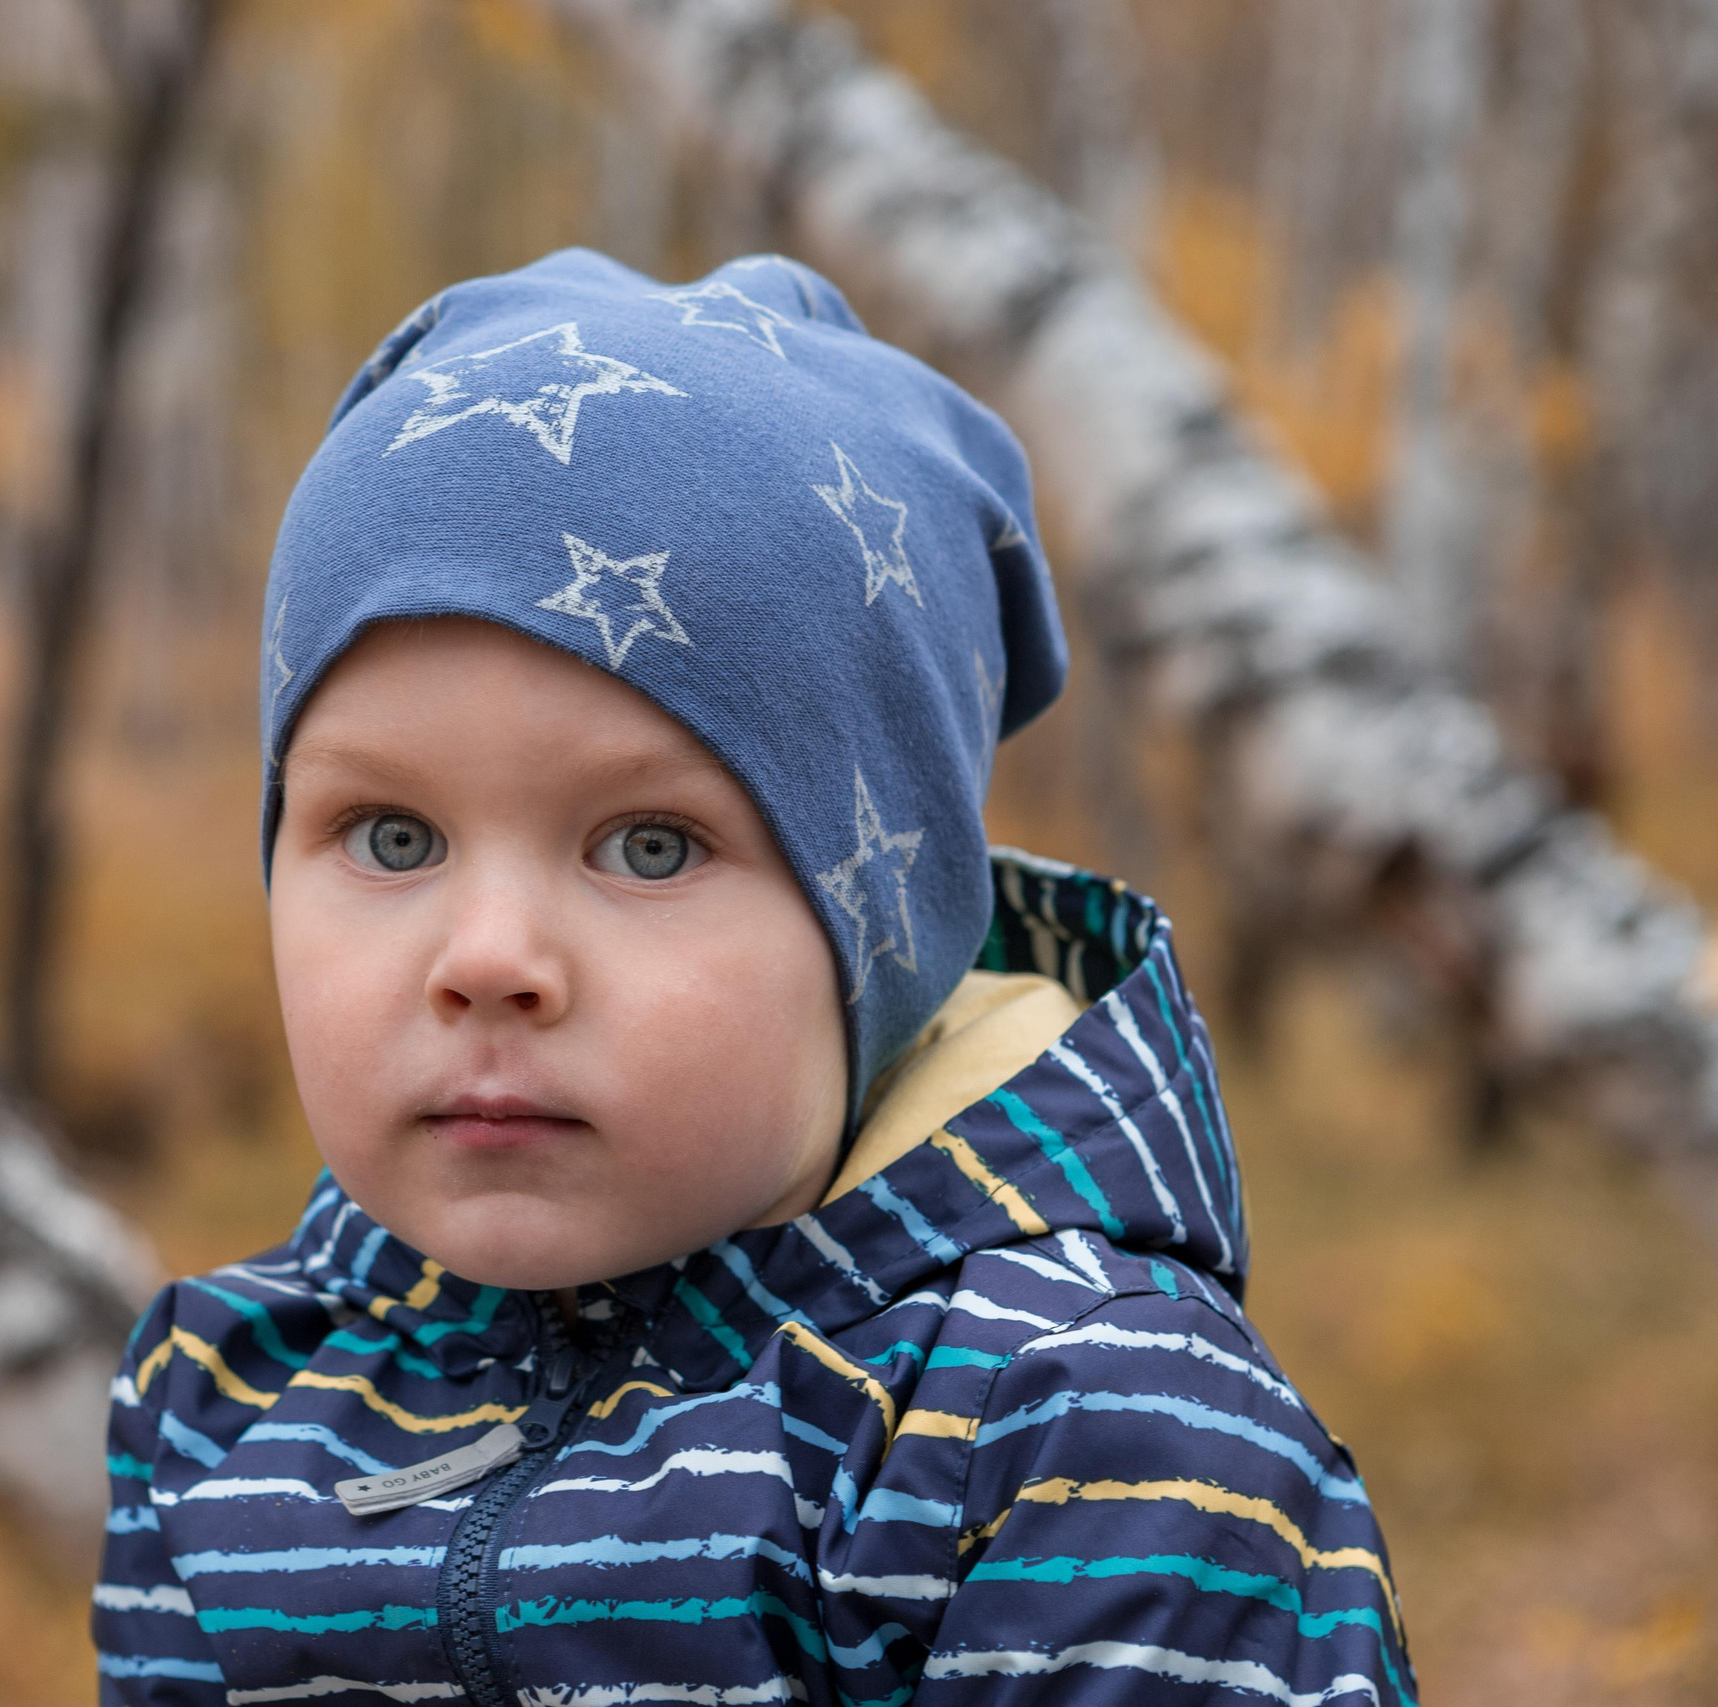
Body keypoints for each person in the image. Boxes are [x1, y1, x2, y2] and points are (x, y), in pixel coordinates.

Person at [92, 248, 1412, 1706]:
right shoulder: (221, 1402)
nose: (487, 959)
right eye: (392, 837)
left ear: (880, 936)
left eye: (648, 847)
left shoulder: (1076, 1435)